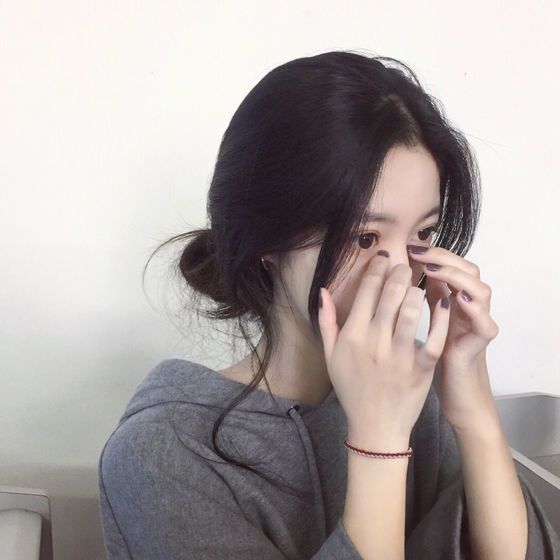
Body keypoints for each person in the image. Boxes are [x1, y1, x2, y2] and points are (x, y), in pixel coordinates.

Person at [98, 50, 560, 558]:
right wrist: (379, 442)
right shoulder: (163, 452)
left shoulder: (415, 390)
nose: (401, 271)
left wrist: (473, 409)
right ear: (268, 238)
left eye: (423, 234)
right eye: (364, 238)